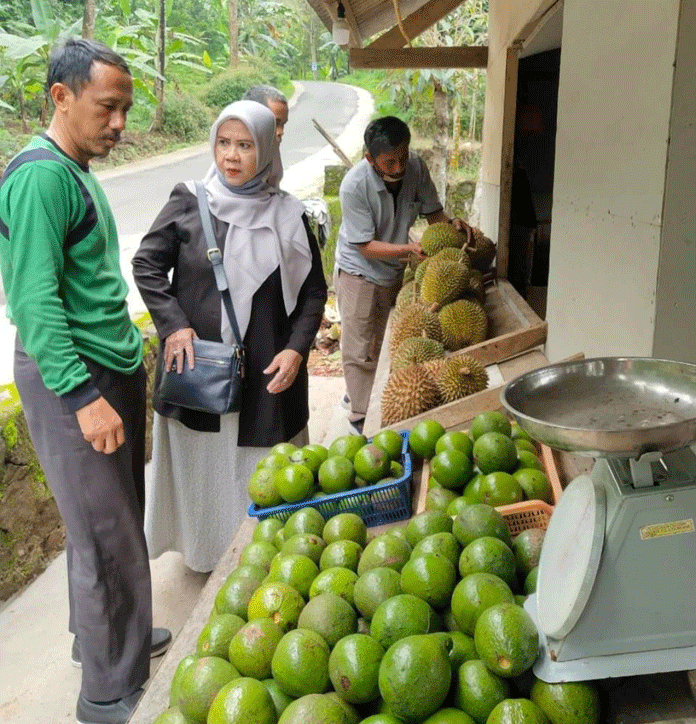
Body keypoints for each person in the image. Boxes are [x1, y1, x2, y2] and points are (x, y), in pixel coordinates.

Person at [0, 39, 170, 724]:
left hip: (108, 368)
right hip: (74, 377)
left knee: (109, 521)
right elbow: (33, 303)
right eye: (108, 107)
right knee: (107, 538)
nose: (120, 124)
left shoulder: (75, 170)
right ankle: (107, 691)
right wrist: (81, 397)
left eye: (126, 109)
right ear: (61, 98)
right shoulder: (40, 178)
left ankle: (109, 640)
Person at [132, 100, 327, 574]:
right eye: (224, 143)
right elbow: (147, 265)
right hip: (200, 366)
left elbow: (314, 294)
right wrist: (174, 324)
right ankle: (204, 555)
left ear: (265, 148)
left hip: (267, 368)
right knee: (204, 465)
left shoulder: (289, 214)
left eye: (244, 145)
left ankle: (258, 559)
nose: (232, 156)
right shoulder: (189, 199)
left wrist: (295, 350)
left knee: (257, 465)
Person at [334, 116, 470, 433]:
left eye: (402, 157)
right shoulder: (354, 186)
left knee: (384, 346)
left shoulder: (416, 168)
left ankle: (367, 397)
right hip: (359, 271)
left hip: (394, 267)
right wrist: (409, 250)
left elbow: (433, 212)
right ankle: (360, 417)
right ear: (370, 158)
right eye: (389, 162)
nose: (398, 168)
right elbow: (364, 245)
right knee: (360, 347)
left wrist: (453, 230)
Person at [242, 84, 289, 187]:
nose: (280, 132)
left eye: (283, 125)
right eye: (274, 123)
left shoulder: (272, 165)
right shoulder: (232, 167)